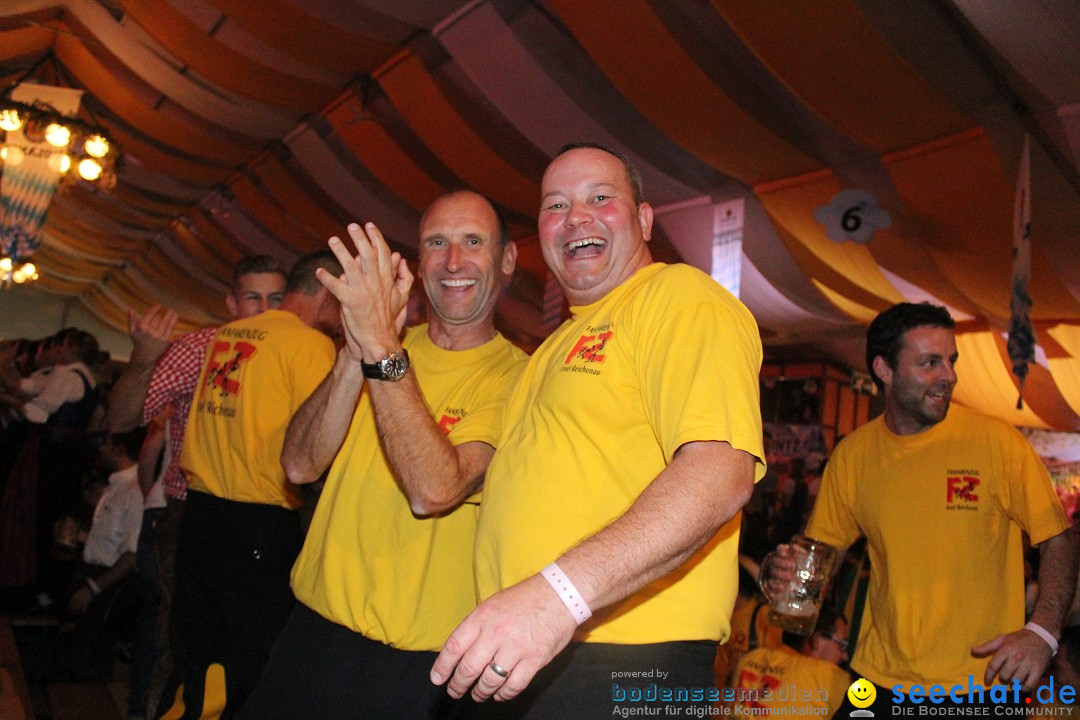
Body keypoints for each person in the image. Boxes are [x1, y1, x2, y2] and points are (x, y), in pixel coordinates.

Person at [430, 144, 766, 718]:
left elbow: (719, 473)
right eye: (556, 205)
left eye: (600, 198)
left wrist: (556, 597)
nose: (576, 216)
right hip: (539, 652)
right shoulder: (552, 347)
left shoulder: (679, 298)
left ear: (643, 220)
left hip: (625, 659)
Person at [239, 190, 527, 720]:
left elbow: (435, 490)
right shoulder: (372, 348)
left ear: (507, 260)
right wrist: (355, 352)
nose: (454, 261)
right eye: (436, 243)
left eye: (472, 242)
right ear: (419, 265)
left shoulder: (521, 378)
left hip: (416, 668)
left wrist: (381, 350)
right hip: (309, 634)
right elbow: (299, 465)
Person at [765, 302, 1077, 708]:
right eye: (930, 363)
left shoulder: (996, 442)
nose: (949, 376)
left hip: (980, 686)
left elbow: (1058, 538)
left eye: (950, 361)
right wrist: (787, 575)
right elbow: (823, 555)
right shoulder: (854, 455)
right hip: (877, 678)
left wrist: (1043, 633)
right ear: (884, 370)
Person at [105, 255, 286, 717]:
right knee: (177, 638)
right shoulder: (202, 348)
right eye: (253, 297)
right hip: (191, 512)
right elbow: (121, 418)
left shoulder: (303, 350)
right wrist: (144, 356)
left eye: (276, 298)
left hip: (269, 522)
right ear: (231, 303)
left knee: (244, 646)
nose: (264, 309)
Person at [169, 250, 341, 719]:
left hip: (199, 516)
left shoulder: (230, 333)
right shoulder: (309, 345)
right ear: (327, 290)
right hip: (258, 525)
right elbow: (321, 446)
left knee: (196, 657)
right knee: (252, 667)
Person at [730, 607, 851, 717]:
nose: (845, 656)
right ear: (817, 640)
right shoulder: (828, 676)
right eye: (842, 645)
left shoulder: (751, 658)